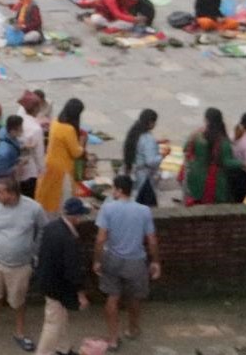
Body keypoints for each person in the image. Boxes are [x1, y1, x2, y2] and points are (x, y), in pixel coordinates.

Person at [0, 176, 44, 349]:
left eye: (0, 192)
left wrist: (34, 252)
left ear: (11, 193)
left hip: (20, 265)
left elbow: (42, 230)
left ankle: (20, 332)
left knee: (19, 300)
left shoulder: (34, 208)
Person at [94, 182, 159, 350]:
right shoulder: (144, 210)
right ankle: (132, 329)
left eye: (114, 189)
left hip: (112, 258)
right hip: (136, 261)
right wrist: (155, 261)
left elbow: (101, 239)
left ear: (119, 190)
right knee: (135, 297)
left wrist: (97, 260)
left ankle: (113, 338)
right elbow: (151, 240)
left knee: (112, 297)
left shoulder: (107, 209)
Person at [35, 198, 90, 355]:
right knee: (53, 323)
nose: (81, 219)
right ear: (74, 216)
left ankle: (63, 348)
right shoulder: (68, 239)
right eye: (80, 215)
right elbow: (73, 270)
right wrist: (81, 294)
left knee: (60, 318)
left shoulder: (51, 227)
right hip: (58, 287)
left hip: (48, 281)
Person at [35, 99, 85, 213]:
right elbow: (76, 152)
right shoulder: (69, 129)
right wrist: (81, 143)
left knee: (48, 193)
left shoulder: (56, 122)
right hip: (62, 168)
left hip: (49, 163)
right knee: (62, 198)